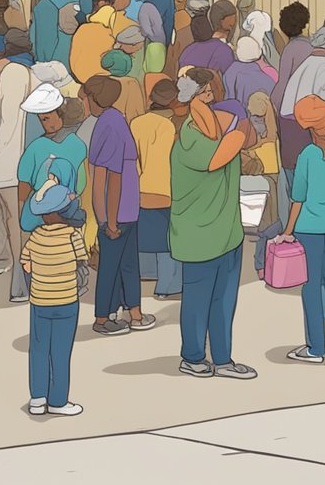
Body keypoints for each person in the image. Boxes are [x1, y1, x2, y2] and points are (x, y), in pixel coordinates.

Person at [171, 68, 257, 380]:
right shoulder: (191, 137)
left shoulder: (217, 131)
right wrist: (239, 126)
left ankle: (222, 358)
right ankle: (192, 357)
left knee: (223, 302)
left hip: (227, 232)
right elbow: (218, 157)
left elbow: (244, 142)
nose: (210, 100)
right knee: (197, 302)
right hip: (198, 236)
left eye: (211, 93)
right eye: (204, 94)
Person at [280, 96, 325, 365]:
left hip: (310, 228)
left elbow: (298, 197)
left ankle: (315, 348)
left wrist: (287, 230)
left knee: (311, 287)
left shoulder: (307, 155)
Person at [82, 75, 154, 335]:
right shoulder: (114, 123)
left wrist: (107, 217)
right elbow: (111, 176)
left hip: (121, 210)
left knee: (122, 264)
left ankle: (132, 311)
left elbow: (106, 175)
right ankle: (104, 317)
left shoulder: (108, 124)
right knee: (115, 265)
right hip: (121, 211)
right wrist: (108, 220)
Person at [21, 178, 89, 418]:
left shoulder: (35, 238)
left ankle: (37, 399)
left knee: (38, 349)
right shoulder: (73, 236)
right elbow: (83, 262)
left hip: (40, 302)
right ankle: (58, 400)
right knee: (61, 352)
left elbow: (26, 264)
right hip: (67, 301)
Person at [0, 31, 35, 289]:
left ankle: (18, 279)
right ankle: (18, 276)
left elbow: (4, 123)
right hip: (16, 162)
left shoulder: (11, 74)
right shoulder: (32, 75)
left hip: (6, 161)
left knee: (12, 223)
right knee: (16, 222)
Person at [133, 79, 183, 300]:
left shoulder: (136, 123)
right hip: (167, 190)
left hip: (140, 188)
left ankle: (146, 273)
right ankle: (167, 285)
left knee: (144, 235)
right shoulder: (172, 127)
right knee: (168, 241)